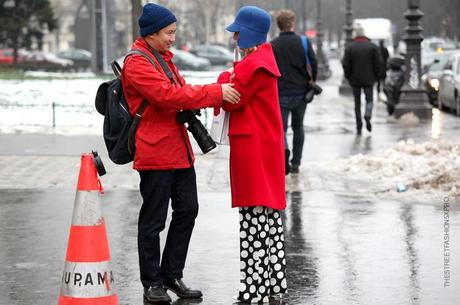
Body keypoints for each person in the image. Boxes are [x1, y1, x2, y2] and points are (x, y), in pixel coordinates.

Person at [122, 3, 240, 304]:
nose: (173, 38)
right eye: (168, 32)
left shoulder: (163, 59)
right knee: (154, 220)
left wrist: (216, 88)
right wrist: (214, 93)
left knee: (188, 210)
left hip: (177, 150)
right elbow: (168, 96)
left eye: (174, 32)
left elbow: (182, 93)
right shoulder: (137, 63)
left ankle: (172, 275)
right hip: (155, 152)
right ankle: (152, 282)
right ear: (150, 33)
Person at [216, 6, 287, 303]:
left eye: (237, 31)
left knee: (253, 220)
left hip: (253, 150)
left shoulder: (253, 65)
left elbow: (232, 99)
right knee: (267, 220)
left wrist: (222, 78)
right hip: (263, 147)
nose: (234, 36)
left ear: (249, 33)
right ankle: (272, 284)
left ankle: (253, 289)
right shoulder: (260, 60)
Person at [271, 9, 318, 174]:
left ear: (278, 25)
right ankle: (296, 162)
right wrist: (312, 82)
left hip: (280, 92)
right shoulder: (303, 42)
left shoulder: (273, 45)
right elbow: (313, 62)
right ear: (292, 23)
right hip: (301, 92)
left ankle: (284, 151)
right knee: (298, 127)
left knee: (281, 128)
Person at [342, 26, 384, 135]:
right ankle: (368, 114)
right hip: (369, 79)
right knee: (369, 100)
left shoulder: (350, 48)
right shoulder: (373, 47)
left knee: (357, 103)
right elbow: (379, 64)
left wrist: (348, 77)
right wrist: (377, 77)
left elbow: (346, 64)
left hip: (355, 80)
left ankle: (359, 126)